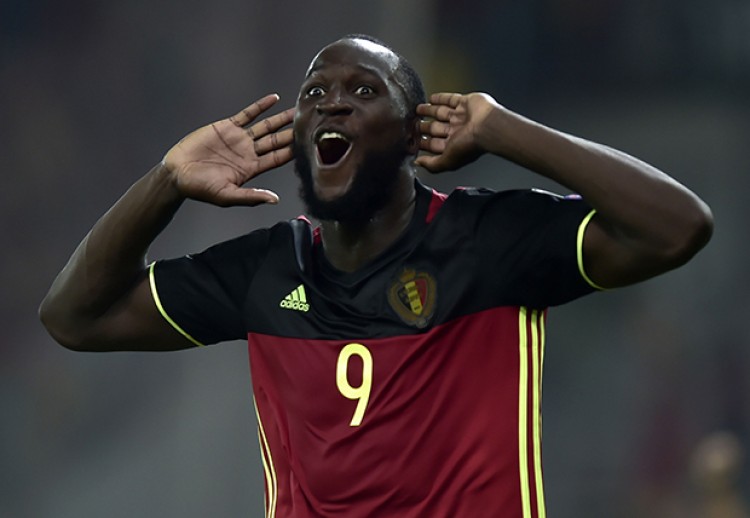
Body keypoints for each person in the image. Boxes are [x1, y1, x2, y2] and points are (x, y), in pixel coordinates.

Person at [39, 34, 713, 517]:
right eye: (314, 94)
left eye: (364, 91)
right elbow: (74, 317)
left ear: (415, 135)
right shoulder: (267, 269)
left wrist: (505, 130)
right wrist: (166, 183)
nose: (332, 104)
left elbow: (678, 226)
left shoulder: (487, 240)